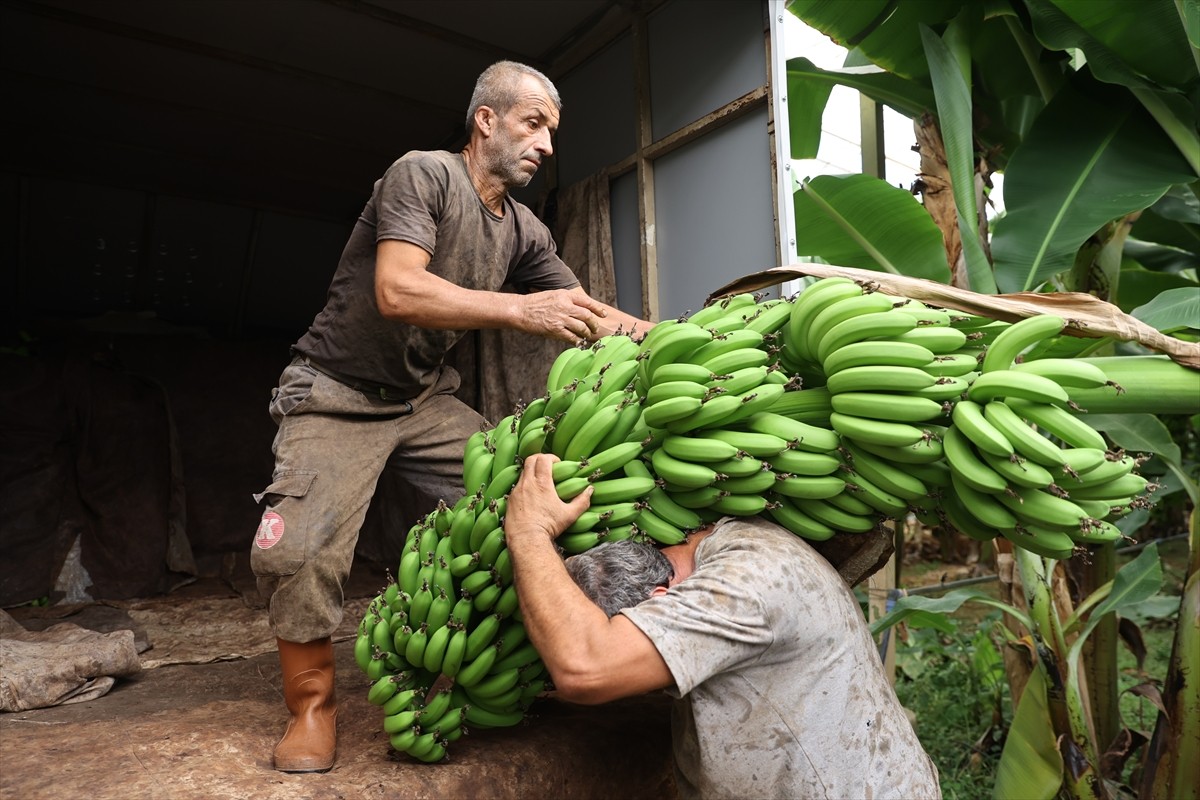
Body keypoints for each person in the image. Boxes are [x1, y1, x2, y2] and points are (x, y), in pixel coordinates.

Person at [250, 61, 649, 773]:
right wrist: (523, 309)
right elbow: (398, 290)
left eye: (552, 132)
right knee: (299, 553)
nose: (547, 145)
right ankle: (312, 708)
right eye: (534, 124)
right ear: (486, 121)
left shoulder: (524, 229)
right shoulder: (423, 175)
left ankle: (504, 660)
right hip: (336, 391)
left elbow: (588, 311)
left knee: (526, 505)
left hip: (423, 399)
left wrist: (671, 334)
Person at [504, 453, 942, 800]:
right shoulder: (723, 544)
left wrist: (528, 533)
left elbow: (585, 667)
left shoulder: (745, 586)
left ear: (659, 603)